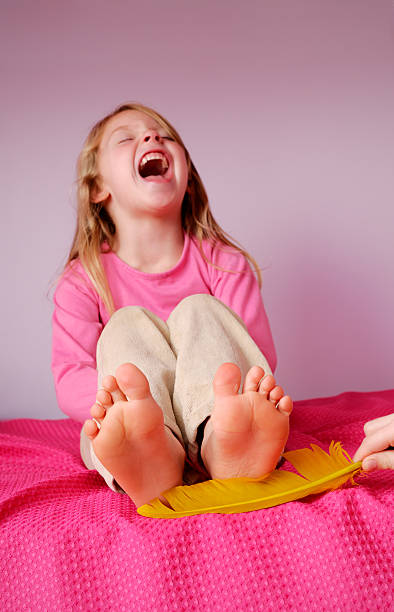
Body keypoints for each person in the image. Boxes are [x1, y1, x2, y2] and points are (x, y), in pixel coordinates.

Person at [52, 101, 293, 507]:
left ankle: (221, 442)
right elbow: (70, 376)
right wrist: (117, 405)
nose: (151, 138)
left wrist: (205, 404)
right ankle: (152, 449)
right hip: (136, 423)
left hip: (218, 411)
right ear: (98, 189)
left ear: (189, 182)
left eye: (164, 136)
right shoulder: (83, 280)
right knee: (126, 328)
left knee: (200, 309)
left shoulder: (225, 264)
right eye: (127, 137)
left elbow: (257, 353)